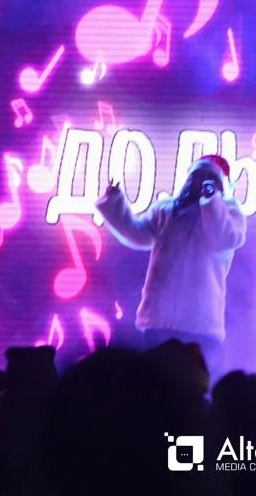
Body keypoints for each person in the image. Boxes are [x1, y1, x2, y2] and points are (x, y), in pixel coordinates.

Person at [97, 154, 247, 372]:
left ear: (220, 185)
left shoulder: (229, 211)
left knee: (194, 379)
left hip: (201, 322)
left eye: (209, 178)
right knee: (156, 380)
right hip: (160, 318)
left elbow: (222, 240)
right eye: (197, 177)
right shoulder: (167, 210)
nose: (201, 183)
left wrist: (211, 202)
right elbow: (137, 234)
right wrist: (115, 201)